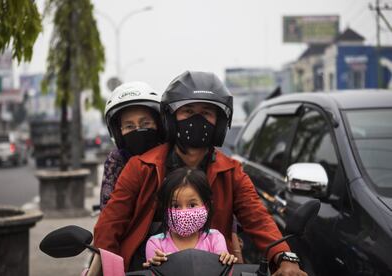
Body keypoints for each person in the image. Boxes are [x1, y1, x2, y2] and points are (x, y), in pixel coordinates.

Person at [93, 71, 307, 276]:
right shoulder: (141, 167)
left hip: (214, 268)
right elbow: (111, 224)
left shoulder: (231, 171)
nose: (197, 120)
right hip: (146, 268)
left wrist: (284, 256)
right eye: (188, 111)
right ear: (171, 118)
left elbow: (257, 218)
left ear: (220, 122)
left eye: (206, 113)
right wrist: (109, 268)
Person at [143, 167, 238, 267]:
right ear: (165, 208)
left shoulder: (215, 239)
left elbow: (223, 271)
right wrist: (158, 266)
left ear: (206, 205)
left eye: (192, 205)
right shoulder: (155, 244)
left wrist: (226, 262)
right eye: (175, 206)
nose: (184, 212)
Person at [99, 81, 165, 210]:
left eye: (145, 123)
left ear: (159, 125)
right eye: (129, 126)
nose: (138, 129)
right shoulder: (116, 160)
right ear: (119, 132)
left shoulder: (171, 155)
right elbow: (108, 211)